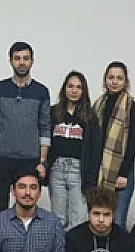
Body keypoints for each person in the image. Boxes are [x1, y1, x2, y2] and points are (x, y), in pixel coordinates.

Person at [0, 41, 51, 214]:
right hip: (1, 158)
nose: (22, 62)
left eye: (25, 58)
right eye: (17, 58)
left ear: (32, 61)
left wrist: (42, 162)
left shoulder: (41, 91)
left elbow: (45, 127)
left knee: (27, 207)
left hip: (29, 160)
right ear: (10, 61)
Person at [48, 71, 103, 231]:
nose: (74, 90)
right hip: (56, 169)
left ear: (83, 91)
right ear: (64, 89)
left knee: (78, 219)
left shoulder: (90, 117)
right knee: (58, 219)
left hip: (78, 171)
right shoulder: (53, 113)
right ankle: (59, 247)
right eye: (70, 86)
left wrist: (91, 179)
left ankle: (75, 248)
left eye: (78, 87)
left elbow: (95, 150)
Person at [93, 61, 135, 229]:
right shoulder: (98, 105)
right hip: (100, 171)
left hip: (122, 171)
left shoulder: (133, 107)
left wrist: (123, 174)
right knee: (100, 221)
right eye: (111, 77)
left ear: (125, 81)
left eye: (119, 78)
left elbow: (134, 142)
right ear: (105, 80)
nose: (114, 81)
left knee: (118, 221)